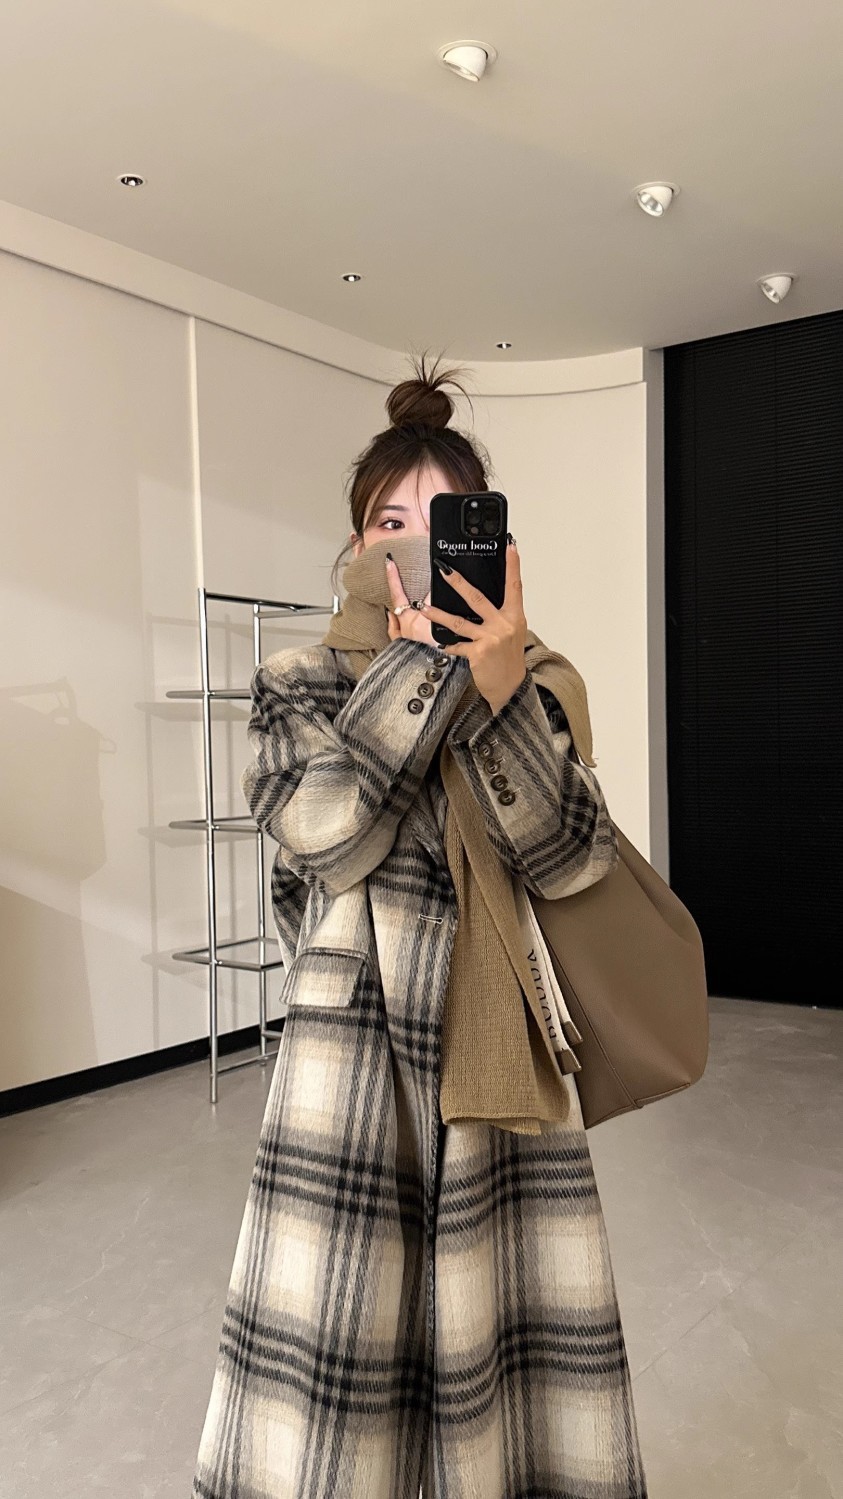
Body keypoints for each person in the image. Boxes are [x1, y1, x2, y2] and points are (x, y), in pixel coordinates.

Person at [190, 354, 647, 1498]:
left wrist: (496, 695)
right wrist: (416, 674)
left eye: (449, 520)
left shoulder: (539, 681)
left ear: (490, 544)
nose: (415, 542)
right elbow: (323, 833)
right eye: (391, 520)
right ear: (357, 546)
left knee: (506, 1349)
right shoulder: (299, 679)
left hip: (500, 1045)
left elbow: (571, 857)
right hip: (350, 1059)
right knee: (345, 1353)